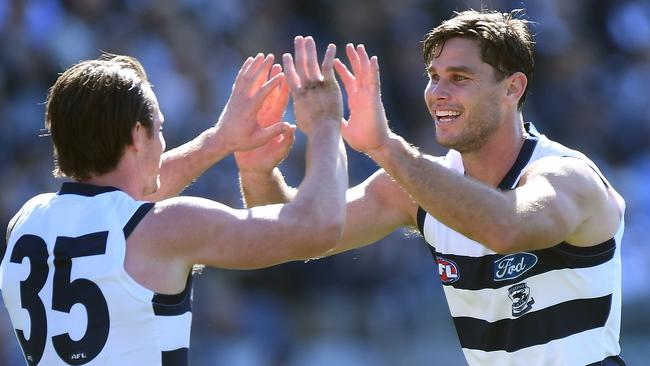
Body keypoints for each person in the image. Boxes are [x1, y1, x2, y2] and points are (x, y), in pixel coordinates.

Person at [236, 10, 626, 366]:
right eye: (433, 77)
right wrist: (257, 169)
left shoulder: (569, 177)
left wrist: (383, 146)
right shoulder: (417, 187)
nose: (438, 92)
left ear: (512, 89)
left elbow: (506, 227)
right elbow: (292, 235)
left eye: (460, 78)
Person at [0, 35, 347, 366]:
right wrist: (327, 124)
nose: (164, 143)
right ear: (137, 135)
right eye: (160, 129)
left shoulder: (26, 221)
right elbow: (320, 226)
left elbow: (118, 206)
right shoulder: (167, 227)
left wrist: (218, 141)